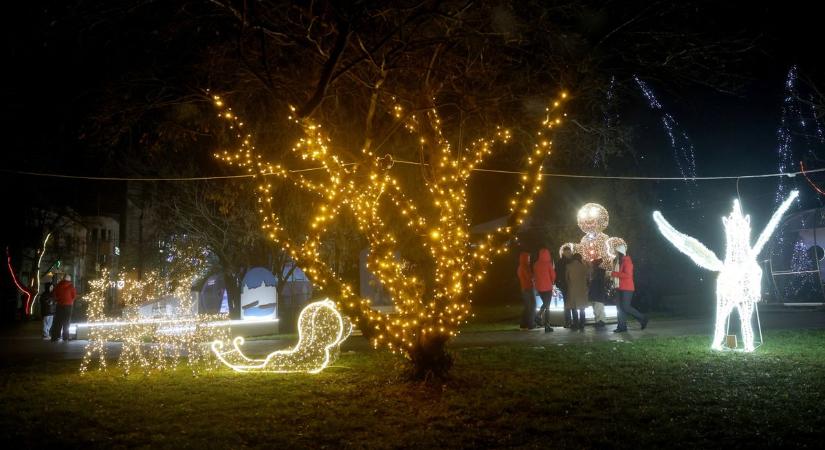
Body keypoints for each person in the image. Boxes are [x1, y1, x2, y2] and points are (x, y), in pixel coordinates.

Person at [611, 244, 648, 333]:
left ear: (620, 252)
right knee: (620, 308)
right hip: (619, 287)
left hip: (627, 288)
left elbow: (628, 275)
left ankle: (643, 318)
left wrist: (614, 274)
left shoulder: (627, 261)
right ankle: (621, 327)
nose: (615, 253)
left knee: (625, 307)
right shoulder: (617, 261)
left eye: (616, 251)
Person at [532, 248, 556, 333]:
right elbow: (553, 275)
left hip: (539, 288)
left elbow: (535, 275)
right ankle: (543, 321)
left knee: (546, 305)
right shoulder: (548, 264)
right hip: (548, 287)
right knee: (547, 306)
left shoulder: (536, 264)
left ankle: (544, 322)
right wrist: (552, 282)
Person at [565, 253, 589, 331]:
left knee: (573, 307)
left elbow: (566, 278)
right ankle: (582, 323)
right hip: (582, 289)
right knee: (582, 307)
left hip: (572, 289)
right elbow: (588, 276)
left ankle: (575, 323)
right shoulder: (583, 267)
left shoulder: (568, 266)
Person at [51, 274, 77, 342]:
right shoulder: (71, 286)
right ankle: (65, 337)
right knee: (66, 322)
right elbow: (74, 296)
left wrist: (58, 300)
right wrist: (70, 300)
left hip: (59, 305)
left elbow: (54, 294)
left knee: (58, 321)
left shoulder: (58, 286)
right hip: (68, 306)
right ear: (69, 279)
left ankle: (56, 337)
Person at [516, 251, 535, 330]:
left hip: (524, 288)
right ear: (525, 259)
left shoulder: (520, 267)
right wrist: (534, 275)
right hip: (528, 288)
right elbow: (529, 277)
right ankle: (530, 324)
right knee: (532, 306)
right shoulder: (525, 267)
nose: (529, 260)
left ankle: (523, 324)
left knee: (527, 307)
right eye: (528, 258)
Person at [556, 245, 573, 327]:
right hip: (565, 285)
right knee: (567, 303)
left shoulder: (570, 261)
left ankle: (570, 321)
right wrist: (559, 283)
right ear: (564, 253)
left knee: (569, 303)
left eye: (570, 252)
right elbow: (557, 273)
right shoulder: (562, 262)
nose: (569, 254)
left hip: (569, 284)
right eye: (568, 252)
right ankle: (568, 321)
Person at [588, 259, 608, 329]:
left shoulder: (597, 273)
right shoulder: (598, 272)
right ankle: (599, 321)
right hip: (598, 294)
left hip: (597, 294)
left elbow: (598, 284)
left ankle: (600, 321)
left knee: (598, 308)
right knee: (598, 308)